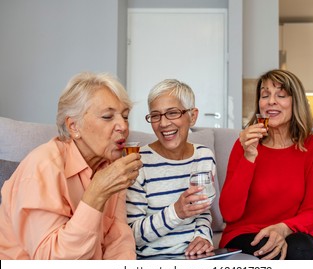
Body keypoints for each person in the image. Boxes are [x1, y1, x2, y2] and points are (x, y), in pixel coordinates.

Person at [0, 72, 142, 259]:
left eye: (125, 116)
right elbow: (53, 262)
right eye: (108, 116)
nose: (123, 126)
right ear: (74, 126)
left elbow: (118, 239)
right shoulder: (42, 167)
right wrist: (97, 194)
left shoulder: (112, 165)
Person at [219, 69, 313, 260]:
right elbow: (229, 213)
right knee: (273, 249)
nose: (271, 101)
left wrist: (283, 228)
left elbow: (312, 210)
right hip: (246, 233)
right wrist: (249, 156)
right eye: (265, 95)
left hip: (292, 230)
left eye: (281, 95)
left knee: (301, 248)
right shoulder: (244, 144)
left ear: (296, 102)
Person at [126, 79, 215, 259]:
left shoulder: (204, 156)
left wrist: (203, 237)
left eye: (172, 113)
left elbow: (203, 211)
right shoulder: (137, 162)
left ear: (192, 116)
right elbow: (131, 235)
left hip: (196, 259)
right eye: (156, 115)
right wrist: (177, 212)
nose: (163, 123)